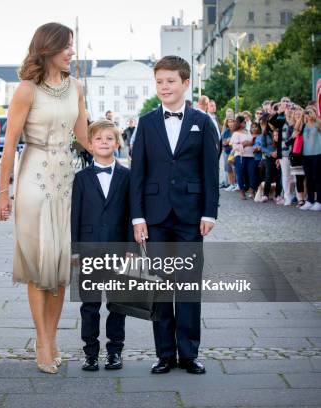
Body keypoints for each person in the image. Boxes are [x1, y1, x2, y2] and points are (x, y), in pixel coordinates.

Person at [0, 22, 89, 374]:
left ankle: (51, 335)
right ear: (49, 48)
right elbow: (9, 144)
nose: (71, 52)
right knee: (38, 264)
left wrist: (121, 165)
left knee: (61, 266)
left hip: (66, 177)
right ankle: (43, 342)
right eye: (67, 47)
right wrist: (3, 192)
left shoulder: (76, 87)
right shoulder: (26, 90)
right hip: (33, 176)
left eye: (72, 46)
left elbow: (86, 138)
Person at [130, 56, 219, 375]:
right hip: (154, 217)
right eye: (159, 82)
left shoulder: (203, 122)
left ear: (185, 84)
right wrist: (137, 217)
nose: (164, 87)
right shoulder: (145, 122)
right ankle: (165, 354)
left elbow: (210, 171)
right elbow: (137, 172)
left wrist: (210, 212)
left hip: (190, 216)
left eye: (170, 81)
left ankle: (190, 353)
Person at [71, 120, 131, 372]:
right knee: (90, 304)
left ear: (117, 144)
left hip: (119, 248)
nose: (104, 142)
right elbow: (75, 215)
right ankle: (91, 353)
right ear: (90, 145)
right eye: (98, 139)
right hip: (89, 249)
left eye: (109, 138)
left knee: (118, 303)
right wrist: (75, 249)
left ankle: (115, 351)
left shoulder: (128, 176)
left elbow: (132, 213)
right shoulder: (81, 178)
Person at [300, 107, 321, 211]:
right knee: (308, 178)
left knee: (317, 177)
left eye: (309, 112)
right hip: (305, 155)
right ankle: (310, 200)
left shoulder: (318, 124)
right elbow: (295, 131)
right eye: (306, 113)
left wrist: (315, 116)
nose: (307, 114)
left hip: (317, 154)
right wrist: (301, 115)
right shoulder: (303, 125)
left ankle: (319, 201)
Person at [230, 115, 256, 200]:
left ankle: (252, 190)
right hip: (240, 157)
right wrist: (243, 144)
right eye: (243, 121)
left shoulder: (248, 132)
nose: (245, 123)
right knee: (240, 174)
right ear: (240, 123)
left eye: (245, 121)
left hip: (250, 156)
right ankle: (242, 191)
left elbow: (252, 142)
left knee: (252, 173)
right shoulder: (236, 133)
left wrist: (250, 143)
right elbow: (234, 147)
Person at [261, 127, 283, 203]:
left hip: (280, 157)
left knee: (279, 176)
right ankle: (265, 194)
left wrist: (278, 153)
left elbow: (283, 144)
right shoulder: (265, 133)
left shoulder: (279, 129)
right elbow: (262, 147)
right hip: (269, 157)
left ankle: (278, 195)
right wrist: (270, 153)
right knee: (268, 175)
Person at [221, 118, 236, 190]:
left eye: (232, 122)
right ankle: (231, 184)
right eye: (229, 122)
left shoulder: (237, 131)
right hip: (227, 152)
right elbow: (223, 142)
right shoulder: (226, 132)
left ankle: (236, 184)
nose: (230, 123)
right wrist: (227, 142)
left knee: (235, 169)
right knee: (229, 168)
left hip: (235, 152)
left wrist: (230, 141)